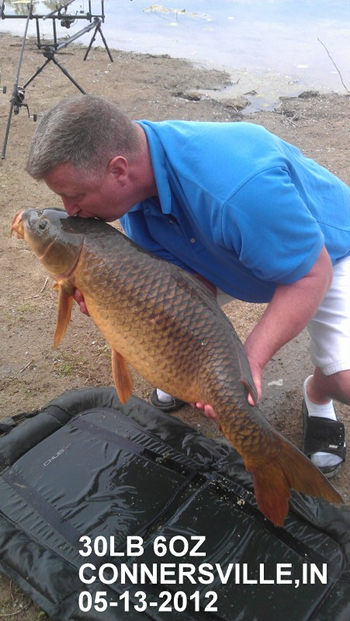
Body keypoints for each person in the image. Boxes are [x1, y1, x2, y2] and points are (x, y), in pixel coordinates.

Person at [26, 94, 349, 477]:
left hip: (325, 255)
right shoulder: (133, 189)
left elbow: (311, 274)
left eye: (74, 196)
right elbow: (188, 288)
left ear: (118, 170)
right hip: (230, 251)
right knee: (169, 331)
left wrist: (248, 366)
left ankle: (318, 392)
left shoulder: (236, 187)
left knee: (345, 380)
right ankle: (184, 381)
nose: (70, 210)